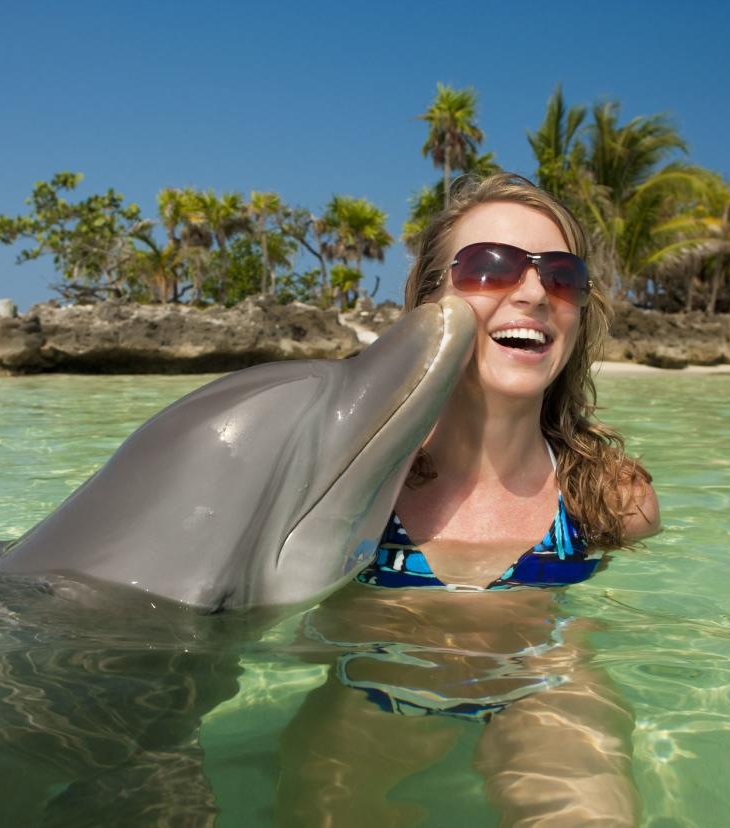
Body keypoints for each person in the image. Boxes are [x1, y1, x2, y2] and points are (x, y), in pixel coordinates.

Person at [277, 173, 660, 827]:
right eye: (490, 267)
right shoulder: (358, 479)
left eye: (561, 275)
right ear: (432, 298)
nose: (535, 292)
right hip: (373, 691)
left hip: (549, 687)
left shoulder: (611, 499)